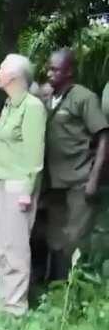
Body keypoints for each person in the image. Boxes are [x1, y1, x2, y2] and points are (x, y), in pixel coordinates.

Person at [42, 48, 109, 280]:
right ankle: (59, 291)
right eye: (48, 68)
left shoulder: (83, 97)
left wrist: (93, 180)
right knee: (55, 239)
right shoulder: (48, 98)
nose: (49, 73)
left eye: (55, 69)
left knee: (75, 240)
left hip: (80, 180)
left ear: (69, 71)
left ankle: (78, 292)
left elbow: (103, 139)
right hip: (55, 182)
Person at [0, 54, 47, 316]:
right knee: (1, 247)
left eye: (2, 69)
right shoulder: (9, 105)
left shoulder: (32, 107)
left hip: (17, 186)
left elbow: (35, 155)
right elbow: (6, 144)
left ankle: (15, 310)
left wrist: (26, 192)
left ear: (14, 76)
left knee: (15, 249)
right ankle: (4, 304)